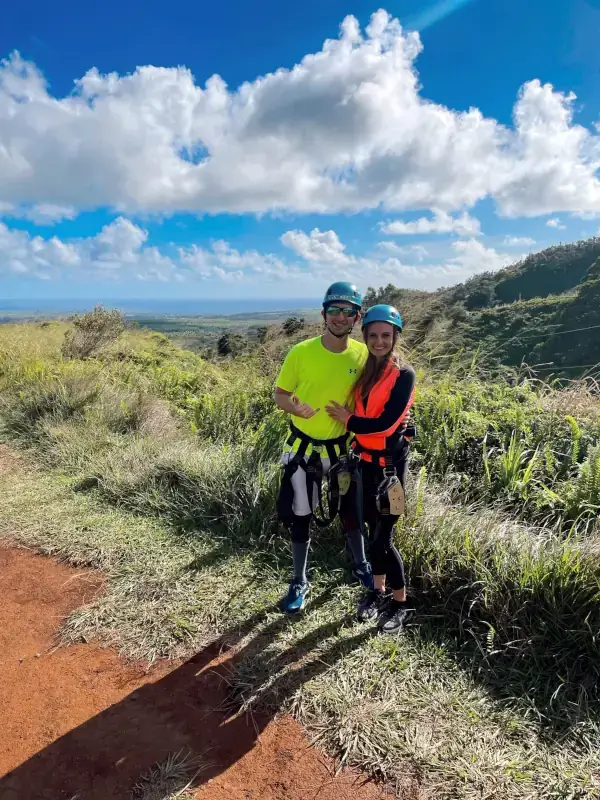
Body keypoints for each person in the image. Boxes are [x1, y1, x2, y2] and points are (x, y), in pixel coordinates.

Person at [274, 282, 371, 614]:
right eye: (334, 310)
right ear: (323, 314)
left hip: (343, 451)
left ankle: (362, 565)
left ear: (357, 318)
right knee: (301, 516)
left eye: (348, 312)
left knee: (352, 513)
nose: (340, 317)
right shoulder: (301, 352)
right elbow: (280, 394)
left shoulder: (363, 354)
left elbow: (380, 390)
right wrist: (294, 408)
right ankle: (299, 580)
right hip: (304, 449)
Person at [326, 304, 415, 634]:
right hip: (364, 464)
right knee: (370, 529)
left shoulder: (404, 374)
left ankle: (401, 602)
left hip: (390, 473)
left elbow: (387, 423)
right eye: (373, 335)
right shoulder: (366, 369)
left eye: (386, 335)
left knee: (383, 540)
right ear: (365, 336)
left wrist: (348, 421)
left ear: (395, 337)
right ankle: (376, 592)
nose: (379, 341)